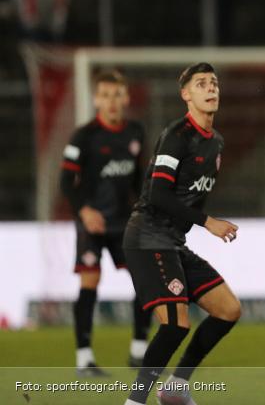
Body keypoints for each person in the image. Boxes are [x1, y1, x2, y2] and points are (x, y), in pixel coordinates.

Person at [122, 63, 240, 405]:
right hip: (148, 237)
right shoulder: (177, 135)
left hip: (173, 242)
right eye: (201, 83)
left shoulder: (216, 142)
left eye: (214, 82)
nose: (211, 88)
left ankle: (175, 387)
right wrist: (208, 222)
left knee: (228, 309)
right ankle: (135, 401)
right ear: (186, 94)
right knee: (175, 325)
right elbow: (158, 194)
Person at [60, 70, 151, 375]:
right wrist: (84, 211)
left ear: (126, 98)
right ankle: (84, 359)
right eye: (105, 95)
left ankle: (139, 352)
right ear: (96, 99)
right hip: (93, 222)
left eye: (117, 95)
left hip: (125, 222)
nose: (111, 101)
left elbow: (138, 179)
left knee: (145, 279)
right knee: (90, 281)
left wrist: (145, 208)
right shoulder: (84, 136)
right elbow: (65, 182)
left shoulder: (135, 132)